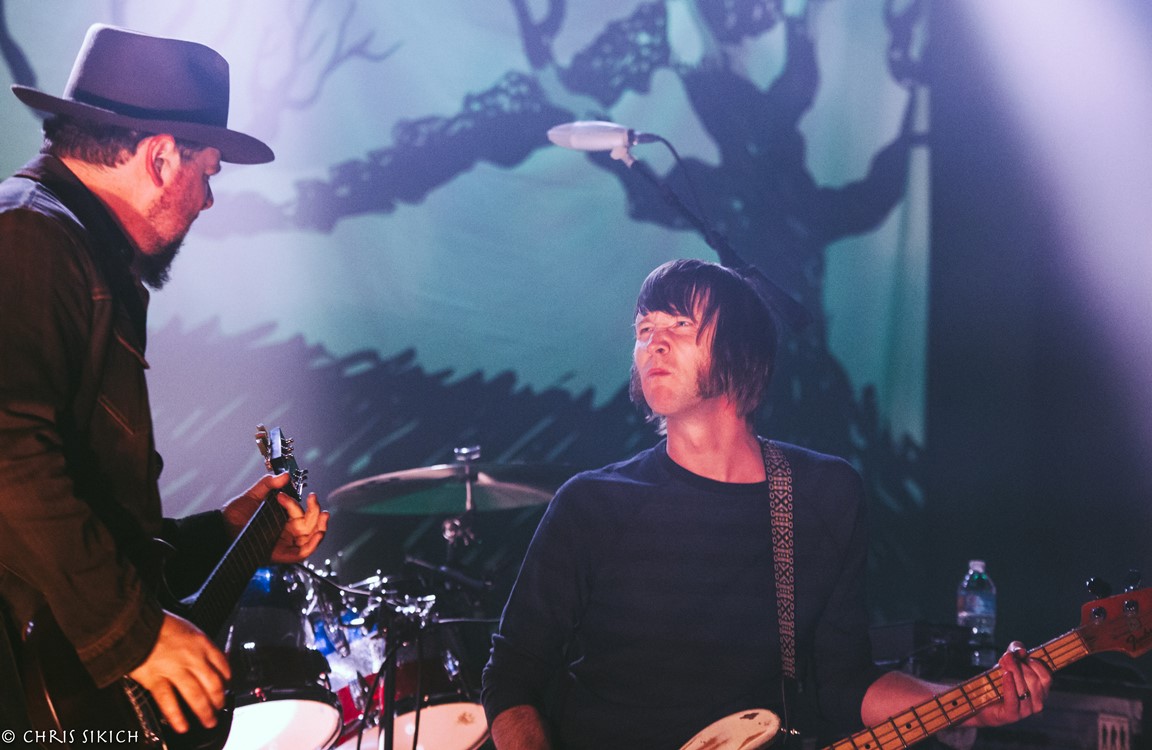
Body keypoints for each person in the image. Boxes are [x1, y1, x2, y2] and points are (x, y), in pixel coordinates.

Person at [481, 259, 1052, 749]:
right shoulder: (592, 504)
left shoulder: (822, 494)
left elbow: (844, 684)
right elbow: (512, 676)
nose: (654, 342)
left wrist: (971, 704)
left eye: (680, 324)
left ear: (740, 349)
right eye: (644, 328)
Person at [0, 24, 328, 739]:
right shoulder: (28, 238)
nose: (207, 200)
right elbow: (8, 456)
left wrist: (226, 533)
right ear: (158, 158)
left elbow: (95, 519)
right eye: (207, 173)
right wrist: (135, 633)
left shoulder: (71, 249)